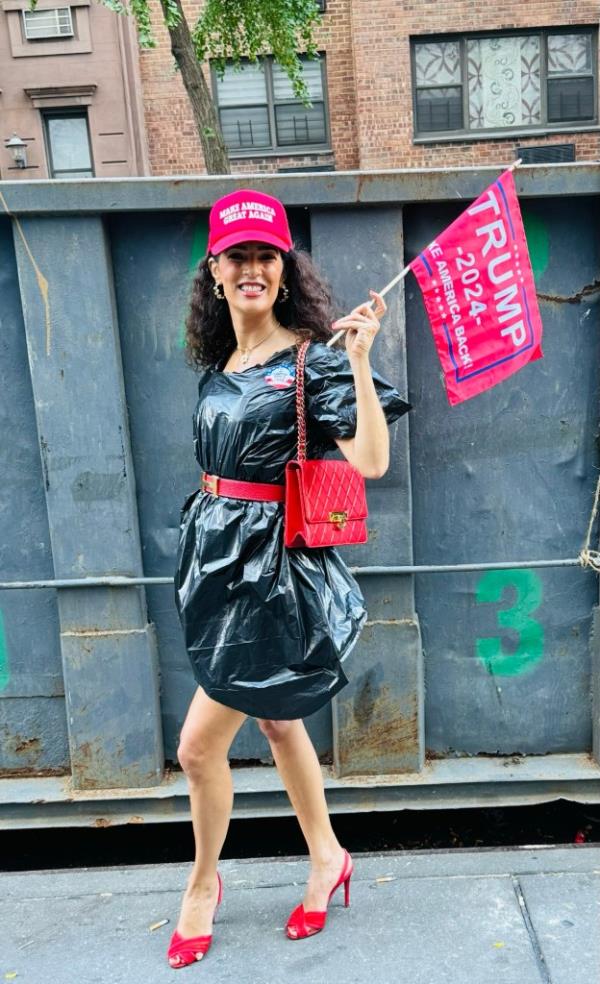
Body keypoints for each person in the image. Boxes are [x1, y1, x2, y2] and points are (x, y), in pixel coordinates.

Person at [168, 189, 411, 968]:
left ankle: (203, 883)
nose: (251, 268)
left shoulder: (314, 359)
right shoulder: (224, 362)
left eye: (265, 255)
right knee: (277, 724)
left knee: (198, 749)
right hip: (216, 568)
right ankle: (328, 856)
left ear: (283, 270)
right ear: (214, 271)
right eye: (236, 255)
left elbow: (370, 460)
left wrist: (364, 361)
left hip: (269, 578)